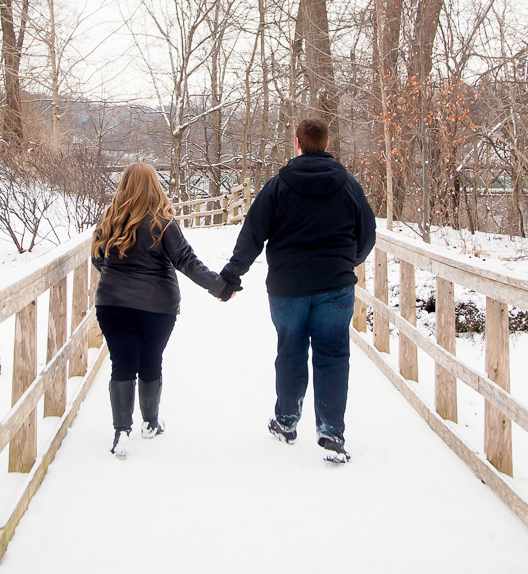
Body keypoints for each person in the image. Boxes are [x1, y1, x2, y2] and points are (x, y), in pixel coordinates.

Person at [220, 117, 375, 463]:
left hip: (288, 288)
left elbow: (253, 234)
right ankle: (331, 432)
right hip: (335, 285)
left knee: (290, 351)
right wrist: (348, 261)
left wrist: (231, 276)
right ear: (326, 144)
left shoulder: (278, 186)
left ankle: (287, 421)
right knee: (333, 355)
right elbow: (367, 234)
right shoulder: (348, 185)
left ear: (298, 144)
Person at [91, 161, 233, 457]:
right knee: (151, 361)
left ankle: (121, 431)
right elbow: (186, 260)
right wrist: (219, 287)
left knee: (122, 363)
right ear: (155, 186)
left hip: (113, 303)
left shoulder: (109, 220)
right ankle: (150, 423)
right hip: (157, 306)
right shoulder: (162, 222)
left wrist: (118, 273)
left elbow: (98, 259)